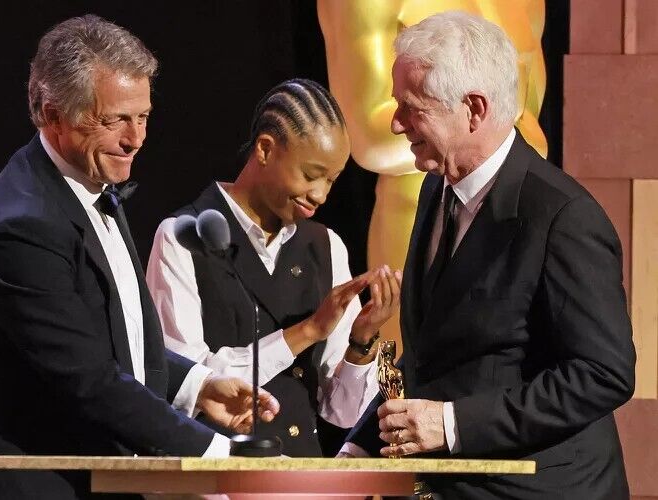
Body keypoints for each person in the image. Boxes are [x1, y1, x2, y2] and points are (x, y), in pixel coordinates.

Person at [0, 15, 281, 499]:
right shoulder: (21, 230)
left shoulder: (86, 181)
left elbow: (107, 332)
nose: (135, 138)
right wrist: (223, 456)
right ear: (52, 114)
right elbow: (88, 379)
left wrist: (196, 387)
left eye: (142, 116)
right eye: (114, 119)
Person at [341, 11, 636, 499]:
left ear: (473, 109)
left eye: (411, 107)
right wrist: (358, 451)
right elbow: (439, 361)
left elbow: (602, 374)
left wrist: (454, 424)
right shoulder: (436, 192)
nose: (395, 123)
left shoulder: (562, 217)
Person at [146, 79, 401, 457]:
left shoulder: (325, 246)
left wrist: (361, 341)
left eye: (332, 180)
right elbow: (186, 381)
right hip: (218, 478)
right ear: (266, 149)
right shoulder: (184, 236)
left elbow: (341, 411)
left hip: (303, 477)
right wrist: (307, 331)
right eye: (311, 175)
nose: (321, 195)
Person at [317, 0, 549, 354]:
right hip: (421, 218)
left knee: (513, 367)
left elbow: (531, 119)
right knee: (421, 379)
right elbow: (368, 135)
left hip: (519, 211)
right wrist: (480, 129)